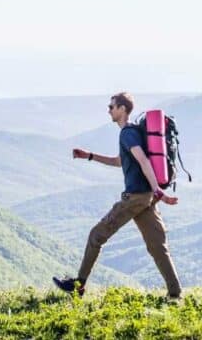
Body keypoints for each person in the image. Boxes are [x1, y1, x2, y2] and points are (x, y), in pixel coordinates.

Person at [52, 92, 182, 298]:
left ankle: (79, 286)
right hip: (147, 198)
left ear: (122, 109)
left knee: (96, 236)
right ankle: (175, 293)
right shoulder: (132, 133)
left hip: (137, 197)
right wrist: (90, 156)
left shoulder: (127, 134)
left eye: (112, 106)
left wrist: (160, 191)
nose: (109, 110)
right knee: (157, 246)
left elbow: (144, 162)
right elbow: (119, 161)